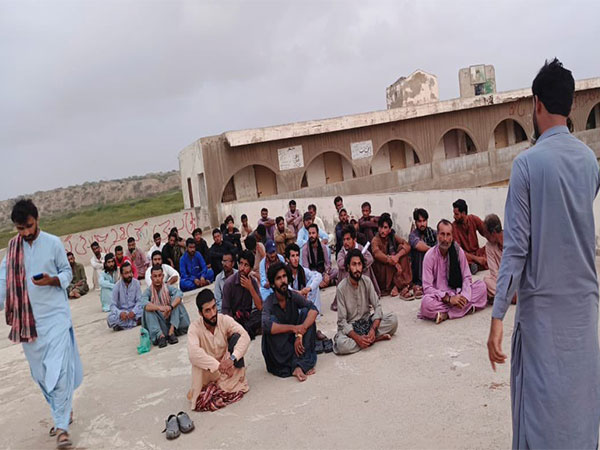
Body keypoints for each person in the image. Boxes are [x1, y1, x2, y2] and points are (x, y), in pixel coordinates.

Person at [487, 59, 600, 449]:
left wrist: (498, 315)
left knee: (539, 412)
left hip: (543, 320)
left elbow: (516, 249)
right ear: (569, 105)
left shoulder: (527, 165)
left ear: (537, 103)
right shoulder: (589, 162)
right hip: (584, 314)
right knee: (580, 408)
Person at [0, 199, 83, 448]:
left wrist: (52, 280)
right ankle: (63, 410)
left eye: (28, 226)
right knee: (42, 375)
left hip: (55, 317)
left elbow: (67, 273)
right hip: (28, 323)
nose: (25, 233)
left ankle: (61, 429)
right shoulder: (13, 249)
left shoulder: (53, 243)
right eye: (20, 228)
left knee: (58, 372)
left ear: (37, 220)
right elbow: (3, 281)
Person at [187, 290, 250, 412]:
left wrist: (232, 359)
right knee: (197, 359)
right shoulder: (194, 328)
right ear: (200, 313)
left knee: (237, 337)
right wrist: (218, 366)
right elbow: (193, 354)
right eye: (207, 311)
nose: (212, 313)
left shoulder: (223, 320)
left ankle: (224, 387)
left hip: (228, 370)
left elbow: (245, 336)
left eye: (214, 307)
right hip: (209, 372)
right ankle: (216, 389)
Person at [419, 220, 487, 324]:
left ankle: (446, 314)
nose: (445, 239)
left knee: (481, 286)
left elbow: (467, 277)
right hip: (441, 297)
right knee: (425, 304)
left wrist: (463, 296)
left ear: (452, 237)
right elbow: (427, 288)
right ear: (437, 235)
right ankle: (466, 309)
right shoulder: (429, 256)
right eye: (442, 234)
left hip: (458, 293)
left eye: (448, 235)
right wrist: (449, 298)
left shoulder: (457, 251)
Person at [261, 262, 318, 382]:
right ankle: (299, 365)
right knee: (272, 322)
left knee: (306, 313)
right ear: (272, 284)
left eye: (284, 276)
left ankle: (299, 365)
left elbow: (313, 309)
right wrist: (293, 328)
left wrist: (300, 332)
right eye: (278, 278)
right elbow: (266, 325)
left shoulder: (292, 295)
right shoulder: (269, 302)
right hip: (280, 353)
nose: (283, 281)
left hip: (295, 342)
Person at [333, 249, 398, 355]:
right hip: (352, 328)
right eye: (354, 264)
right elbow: (342, 321)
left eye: (359, 264)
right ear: (348, 267)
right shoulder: (341, 288)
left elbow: (377, 307)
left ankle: (368, 339)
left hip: (367, 323)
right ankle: (374, 340)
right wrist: (357, 338)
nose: (357, 268)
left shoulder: (367, 281)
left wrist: (373, 329)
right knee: (341, 345)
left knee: (393, 320)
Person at [141, 265, 190, 348]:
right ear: (151, 278)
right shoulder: (148, 291)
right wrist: (160, 308)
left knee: (176, 301)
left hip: (174, 324)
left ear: (163, 276)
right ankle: (160, 336)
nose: (157, 279)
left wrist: (170, 307)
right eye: (155, 276)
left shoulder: (168, 287)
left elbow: (179, 294)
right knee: (147, 309)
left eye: (159, 276)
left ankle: (171, 332)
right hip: (160, 325)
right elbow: (143, 303)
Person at [222, 250, 263, 339]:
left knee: (265, 315)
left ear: (251, 269)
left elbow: (260, 307)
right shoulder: (229, 283)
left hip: (248, 318)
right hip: (234, 320)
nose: (242, 268)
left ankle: (246, 331)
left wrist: (250, 288)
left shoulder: (252, 282)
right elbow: (225, 311)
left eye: (246, 265)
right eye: (241, 264)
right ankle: (246, 332)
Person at [371, 214, 414, 299]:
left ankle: (398, 286)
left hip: (393, 263)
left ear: (390, 230)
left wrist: (397, 256)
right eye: (381, 227)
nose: (382, 230)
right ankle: (400, 286)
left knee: (402, 249)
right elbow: (376, 253)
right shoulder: (375, 240)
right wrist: (391, 260)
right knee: (386, 262)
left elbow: (407, 245)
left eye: (385, 227)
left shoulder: (392, 236)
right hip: (383, 271)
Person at [336, 225, 380, 297]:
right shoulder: (342, 252)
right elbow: (340, 263)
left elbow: (370, 259)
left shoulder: (360, 247)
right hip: (348, 282)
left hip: (360, 276)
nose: (345, 242)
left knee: (365, 267)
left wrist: (359, 263)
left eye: (348, 239)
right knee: (345, 269)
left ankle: (366, 296)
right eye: (344, 240)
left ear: (354, 240)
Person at [483, 214, 516, 304]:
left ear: (493, 233)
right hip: (503, 282)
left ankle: (505, 297)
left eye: (486, 234)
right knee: (487, 280)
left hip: (518, 280)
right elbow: (494, 273)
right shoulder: (489, 246)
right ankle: (510, 297)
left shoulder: (513, 239)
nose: (485, 236)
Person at [452, 199, 489, 274]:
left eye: (456, 214)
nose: (454, 216)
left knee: (490, 247)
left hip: (477, 253)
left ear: (463, 213)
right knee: (458, 258)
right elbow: (459, 251)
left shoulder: (473, 219)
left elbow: (487, 233)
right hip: (466, 256)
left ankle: (476, 266)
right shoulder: (454, 227)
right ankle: (478, 265)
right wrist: (478, 259)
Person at [285, 243, 322, 314]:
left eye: (297, 255)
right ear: (287, 259)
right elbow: (286, 288)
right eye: (293, 256)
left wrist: (308, 288)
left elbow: (318, 275)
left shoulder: (301, 270)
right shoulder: (284, 272)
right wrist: (298, 293)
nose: (296, 259)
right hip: (290, 302)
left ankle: (314, 312)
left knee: (314, 285)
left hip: (302, 298)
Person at [107, 262, 143, 331]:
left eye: (130, 272)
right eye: (126, 273)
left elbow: (139, 301)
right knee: (110, 318)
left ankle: (123, 325)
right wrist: (120, 313)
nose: (129, 275)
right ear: (121, 275)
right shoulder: (116, 286)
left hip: (135, 313)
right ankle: (135, 323)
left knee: (146, 311)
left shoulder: (136, 283)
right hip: (123, 314)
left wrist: (134, 311)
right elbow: (112, 305)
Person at [301, 224, 337, 288]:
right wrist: (317, 279)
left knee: (336, 271)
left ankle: (321, 284)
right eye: (309, 233)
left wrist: (326, 274)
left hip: (323, 272)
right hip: (313, 274)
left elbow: (327, 263)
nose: (311, 235)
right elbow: (306, 269)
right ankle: (327, 282)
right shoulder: (305, 249)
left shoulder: (323, 247)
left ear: (318, 235)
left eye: (313, 233)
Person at [409, 208, 437, 289]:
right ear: (416, 222)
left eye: (424, 221)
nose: (422, 224)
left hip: (433, 264)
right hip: (419, 268)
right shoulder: (413, 235)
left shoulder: (432, 232)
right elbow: (419, 245)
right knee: (421, 251)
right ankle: (422, 281)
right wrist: (434, 250)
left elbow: (441, 242)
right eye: (419, 221)